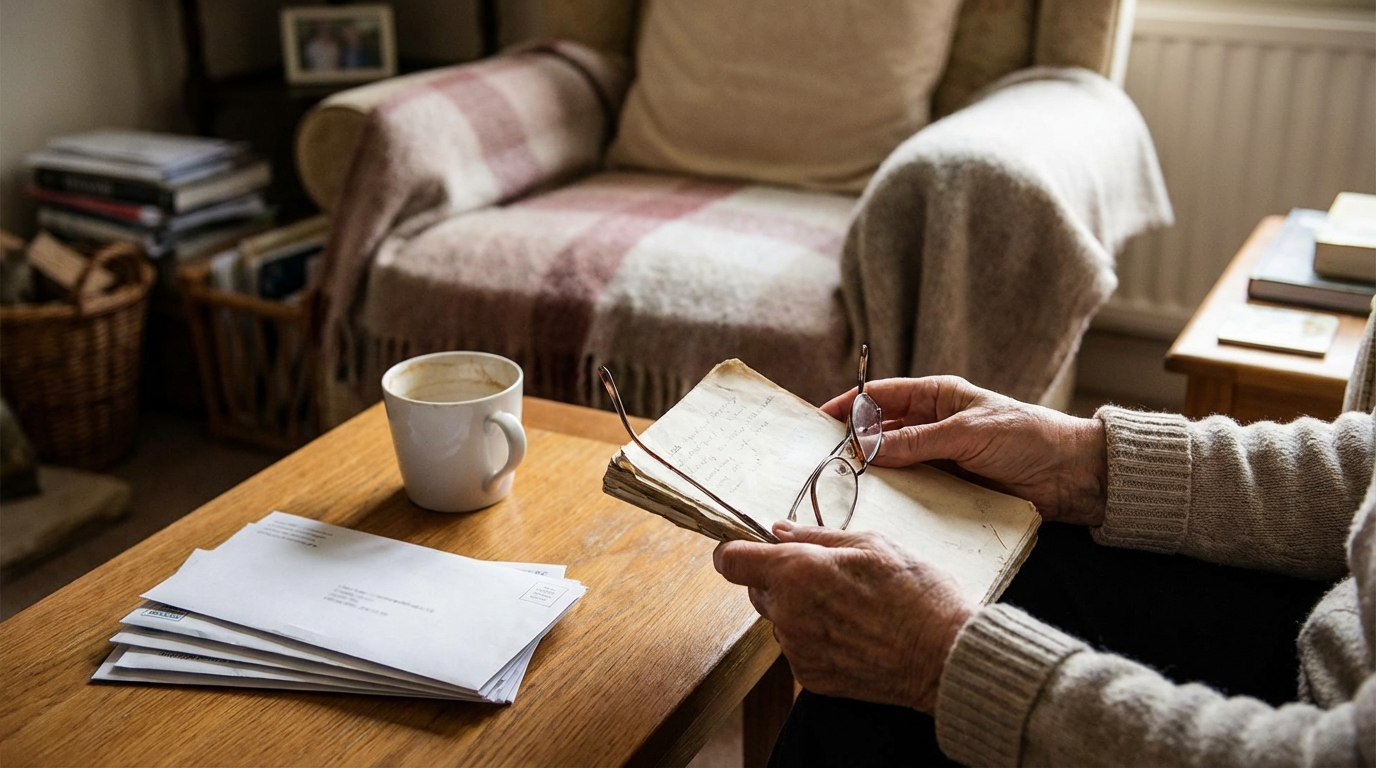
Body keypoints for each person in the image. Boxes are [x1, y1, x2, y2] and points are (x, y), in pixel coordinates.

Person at [715, 314, 1375, 765]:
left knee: (873, 707)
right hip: (1339, 628)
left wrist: (942, 665)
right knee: (1016, 551)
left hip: (1317, 721)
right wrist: (1084, 462)